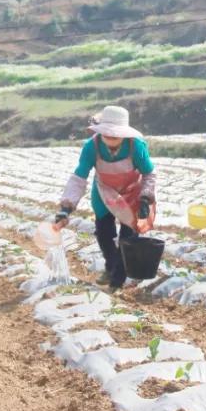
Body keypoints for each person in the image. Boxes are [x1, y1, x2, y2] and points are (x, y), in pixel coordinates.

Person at [55, 106, 156, 291]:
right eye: (106, 134)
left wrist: (145, 198)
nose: (110, 138)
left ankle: (116, 282)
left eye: (115, 135)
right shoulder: (91, 147)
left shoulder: (136, 146)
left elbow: (149, 174)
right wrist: (66, 207)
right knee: (103, 233)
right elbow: (79, 177)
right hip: (104, 192)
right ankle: (111, 267)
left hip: (131, 193)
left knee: (128, 238)